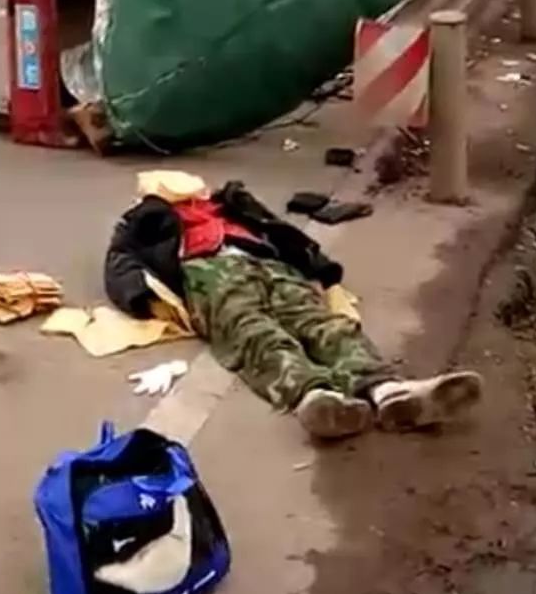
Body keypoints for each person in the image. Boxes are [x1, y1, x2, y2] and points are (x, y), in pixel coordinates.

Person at [104, 171, 482, 443]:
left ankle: (387, 392)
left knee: (322, 323)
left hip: (268, 262)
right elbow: (119, 259)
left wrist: (317, 266)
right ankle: (314, 397)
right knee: (253, 330)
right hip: (205, 270)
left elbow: (281, 230)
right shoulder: (144, 219)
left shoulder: (231, 203)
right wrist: (138, 295)